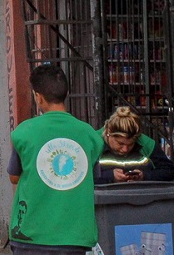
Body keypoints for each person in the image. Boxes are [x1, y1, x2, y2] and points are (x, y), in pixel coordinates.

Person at [7, 63, 104, 254]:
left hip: (31, 234)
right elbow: (94, 177)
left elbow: (14, 177)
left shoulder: (24, 132)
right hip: (75, 237)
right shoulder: (90, 135)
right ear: (66, 94)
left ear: (38, 97)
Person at [94, 106, 174, 184]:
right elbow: (83, 175)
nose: (125, 149)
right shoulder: (93, 144)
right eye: (120, 143)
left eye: (131, 144)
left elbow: (168, 171)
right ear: (108, 133)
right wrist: (109, 176)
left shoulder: (146, 144)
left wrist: (144, 176)